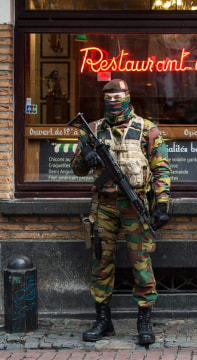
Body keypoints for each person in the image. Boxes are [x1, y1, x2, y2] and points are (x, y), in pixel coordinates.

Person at [71, 79, 171, 345]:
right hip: (103, 206)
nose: (114, 101)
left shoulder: (147, 129)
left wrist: (162, 204)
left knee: (142, 264)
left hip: (135, 204)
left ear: (128, 96)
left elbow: (161, 169)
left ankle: (144, 320)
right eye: (109, 97)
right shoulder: (91, 130)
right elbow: (78, 169)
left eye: (119, 96)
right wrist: (86, 156)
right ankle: (103, 319)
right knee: (101, 263)